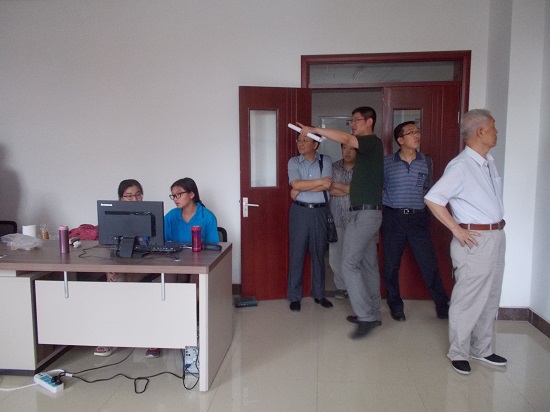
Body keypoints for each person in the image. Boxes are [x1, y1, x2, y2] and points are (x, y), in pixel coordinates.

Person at [424, 109, 506, 375]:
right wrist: (457, 230)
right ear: (480, 131)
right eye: (493, 127)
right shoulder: (461, 166)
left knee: (490, 296)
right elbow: (433, 199)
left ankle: (482, 349)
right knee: (468, 298)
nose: (496, 131)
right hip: (475, 240)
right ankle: (459, 352)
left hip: (496, 235)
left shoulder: (487, 162)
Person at [298, 106, 383, 339]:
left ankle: (366, 316)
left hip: (364, 215)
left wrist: (315, 129)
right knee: (368, 264)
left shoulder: (371, 142)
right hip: (364, 213)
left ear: (369, 122)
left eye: (356, 120)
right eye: (351, 121)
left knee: (349, 264)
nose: (352, 124)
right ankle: (374, 313)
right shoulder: (366, 152)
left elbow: (346, 139)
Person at [381, 121, 449, 322]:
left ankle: (442, 306)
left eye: (418, 131)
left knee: (429, 264)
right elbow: (379, 186)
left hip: (418, 218)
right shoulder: (387, 162)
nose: (417, 135)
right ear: (400, 140)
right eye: (411, 132)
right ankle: (395, 306)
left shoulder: (425, 161)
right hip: (394, 218)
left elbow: (429, 189)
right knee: (391, 266)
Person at [95, 179, 159, 358]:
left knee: (151, 287)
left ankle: (154, 338)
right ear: (120, 198)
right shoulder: (113, 217)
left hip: (146, 266)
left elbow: (157, 244)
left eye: (138, 195)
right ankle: (111, 337)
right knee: (114, 280)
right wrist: (109, 267)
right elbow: (108, 246)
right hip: (122, 265)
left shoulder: (151, 214)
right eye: (128, 196)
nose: (134, 199)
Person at [287, 134, 333, 312]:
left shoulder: (325, 160)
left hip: (320, 211)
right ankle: (295, 296)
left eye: (305, 141)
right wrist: (319, 182)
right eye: (298, 140)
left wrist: (302, 187)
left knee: (318, 254)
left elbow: (327, 186)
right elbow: (296, 184)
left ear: (315, 144)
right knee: (297, 254)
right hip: (300, 211)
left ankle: (319, 294)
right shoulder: (294, 162)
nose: (300, 143)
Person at [328, 144, 357, 300]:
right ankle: (341, 287)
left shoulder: (362, 168)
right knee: (335, 255)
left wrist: (338, 186)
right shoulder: (333, 167)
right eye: (345, 148)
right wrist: (350, 189)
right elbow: (329, 190)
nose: (347, 151)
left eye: (351, 149)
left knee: (353, 255)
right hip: (336, 217)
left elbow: (360, 190)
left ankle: (355, 287)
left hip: (356, 219)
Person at [164, 177, 219, 244]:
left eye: (179, 194)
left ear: (191, 194)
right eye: (174, 195)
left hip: (201, 251)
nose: (175, 199)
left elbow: (213, 247)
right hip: (176, 251)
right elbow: (160, 240)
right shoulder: (171, 216)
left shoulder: (208, 217)